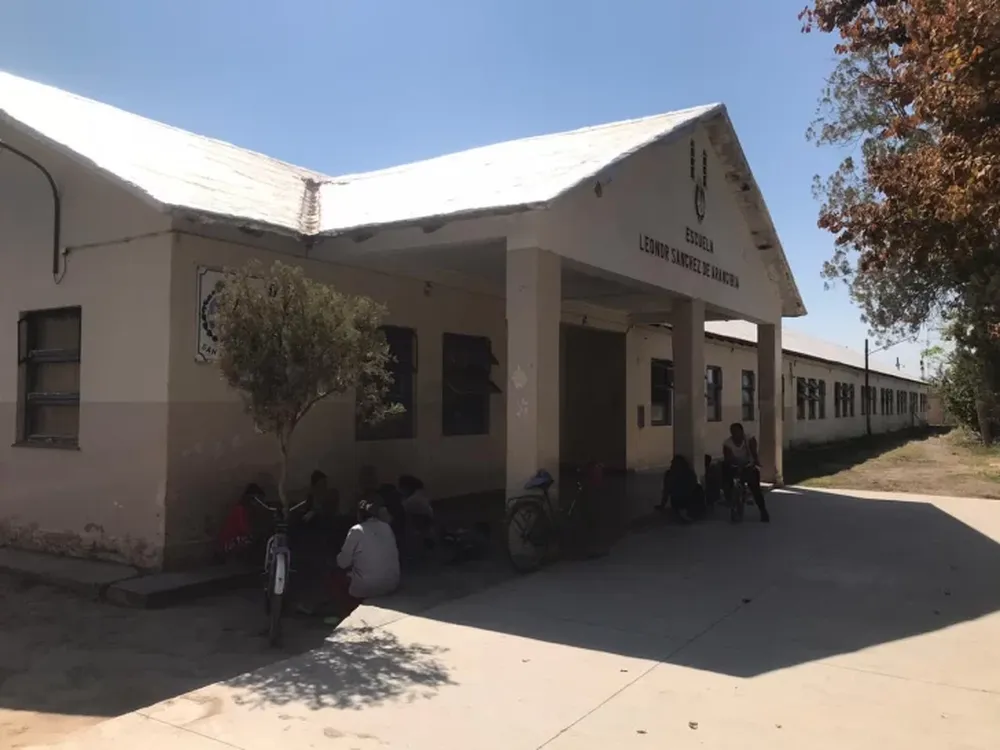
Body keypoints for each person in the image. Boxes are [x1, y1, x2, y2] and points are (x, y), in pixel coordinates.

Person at [327, 497, 401, 622]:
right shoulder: (386, 527)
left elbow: (342, 563)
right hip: (392, 583)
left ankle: (345, 614)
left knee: (334, 576)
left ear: (359, 514)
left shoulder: (356, 530)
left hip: (369, 586)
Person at [722, 422, 769, 522]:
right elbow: (728, 458)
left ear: (742, 432)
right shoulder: (728, 443)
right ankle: (730, 500)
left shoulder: (749, 439)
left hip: (749, 465)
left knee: (756, 489)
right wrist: (734, 465)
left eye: (737, 432)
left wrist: (755, 461)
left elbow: (754, 452)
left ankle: (763, 511)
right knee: (727, 481)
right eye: (733, 432)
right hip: (735, 465)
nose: (735, 435)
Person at [658, 454, 705, 523]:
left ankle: (691, 511)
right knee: (697, 489)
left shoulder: (688, 473)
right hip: (679, 500)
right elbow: (666, 491)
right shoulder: (670, 475)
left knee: (698, 488)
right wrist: (662, 505)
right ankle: (688, 511)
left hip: (686, 499)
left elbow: (692, 487)